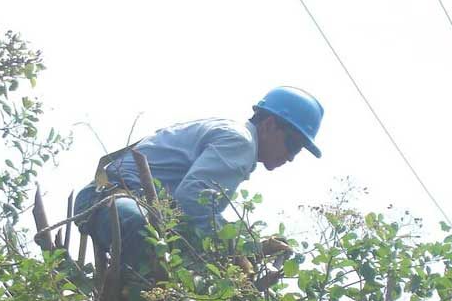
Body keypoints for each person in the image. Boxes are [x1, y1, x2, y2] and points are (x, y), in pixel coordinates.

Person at [73, 85, 324, 276]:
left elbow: (193, 219)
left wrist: (250, 249)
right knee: (151, 237)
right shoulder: (240, 141)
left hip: (128, 205)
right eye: (293, 145)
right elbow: (192, 205)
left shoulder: (234, 139)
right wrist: (242, 248)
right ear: (269, 125)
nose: (291, 157)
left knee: (189, 258)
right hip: (108, 200)